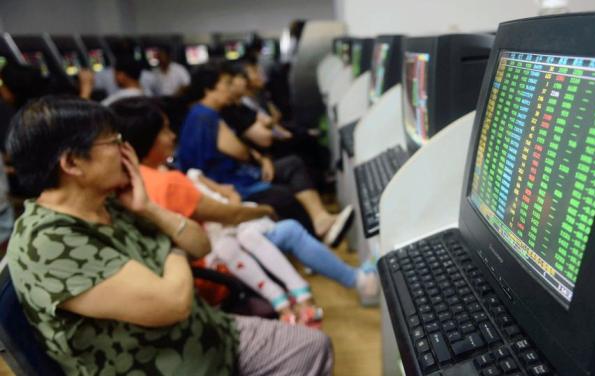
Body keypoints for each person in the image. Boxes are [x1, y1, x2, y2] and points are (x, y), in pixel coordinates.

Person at [5, 96, 333, 375]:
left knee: (312, 347)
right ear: (73, 162)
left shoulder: (110, 202)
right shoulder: (49, 242)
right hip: (167, 365)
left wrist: (149, 208)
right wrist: (173, 248)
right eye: (114, 142)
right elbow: (173, 303)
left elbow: (200, 243)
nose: (126, 150)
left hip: (207, 335)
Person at [112, 97, 380, 312]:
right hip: (212, 261)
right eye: (165, 131)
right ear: (147, 139)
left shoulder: (127, 182)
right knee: (287, 226)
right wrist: (263, 211)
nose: (172, 137)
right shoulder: (168, 181)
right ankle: (359, 281)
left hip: (191, 263)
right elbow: (231, 214)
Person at [178, 63, 352, 246]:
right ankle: (316, 239)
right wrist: (257, 158)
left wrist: (262, 159)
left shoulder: (204, 113)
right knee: (283, 195)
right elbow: (240, 152)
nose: (231, 89)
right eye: (226, 84)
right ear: (209, 88)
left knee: (292, 164)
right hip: (229, 184)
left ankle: (320, 219)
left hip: (237, 174)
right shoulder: (206, 117)